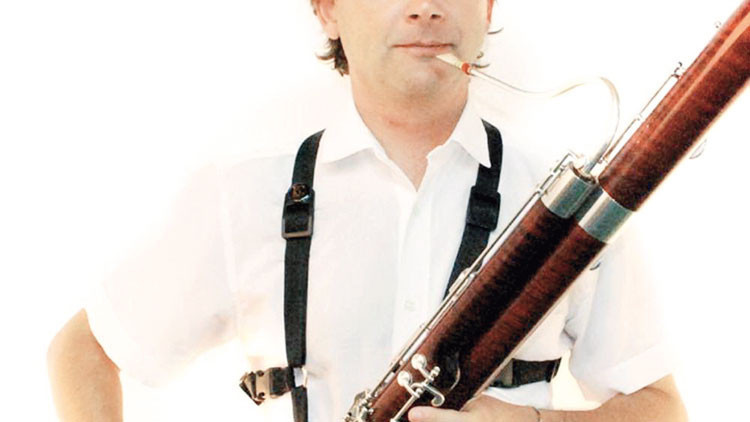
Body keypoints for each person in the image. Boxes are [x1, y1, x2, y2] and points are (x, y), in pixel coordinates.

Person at [47, 0, 688, 421]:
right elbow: (83, 352)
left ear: (489, 7)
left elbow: (659, 407)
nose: (426, 7)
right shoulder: (243, 194)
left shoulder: (575, 206)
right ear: (328, 10)